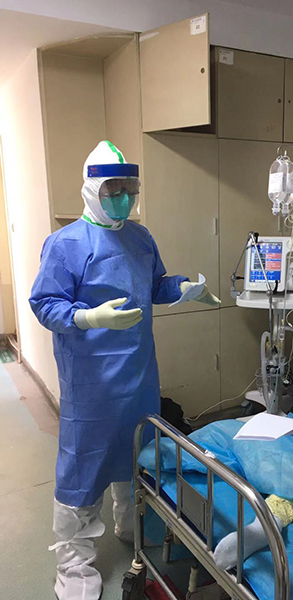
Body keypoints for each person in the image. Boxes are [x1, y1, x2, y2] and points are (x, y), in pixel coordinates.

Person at [29, 140, 220, 600]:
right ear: (92, 189)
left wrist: (185, 289)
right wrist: (89, 317)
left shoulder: (140, 237)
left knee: (136, 451)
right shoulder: (65, 244)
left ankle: (129, 522)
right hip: (91, 381)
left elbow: (153, 285)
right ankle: (74, 564)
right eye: (112, 189)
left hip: (138, 373)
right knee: (84, 464)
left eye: (129, 189)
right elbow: (45, 303)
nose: (122, 197)